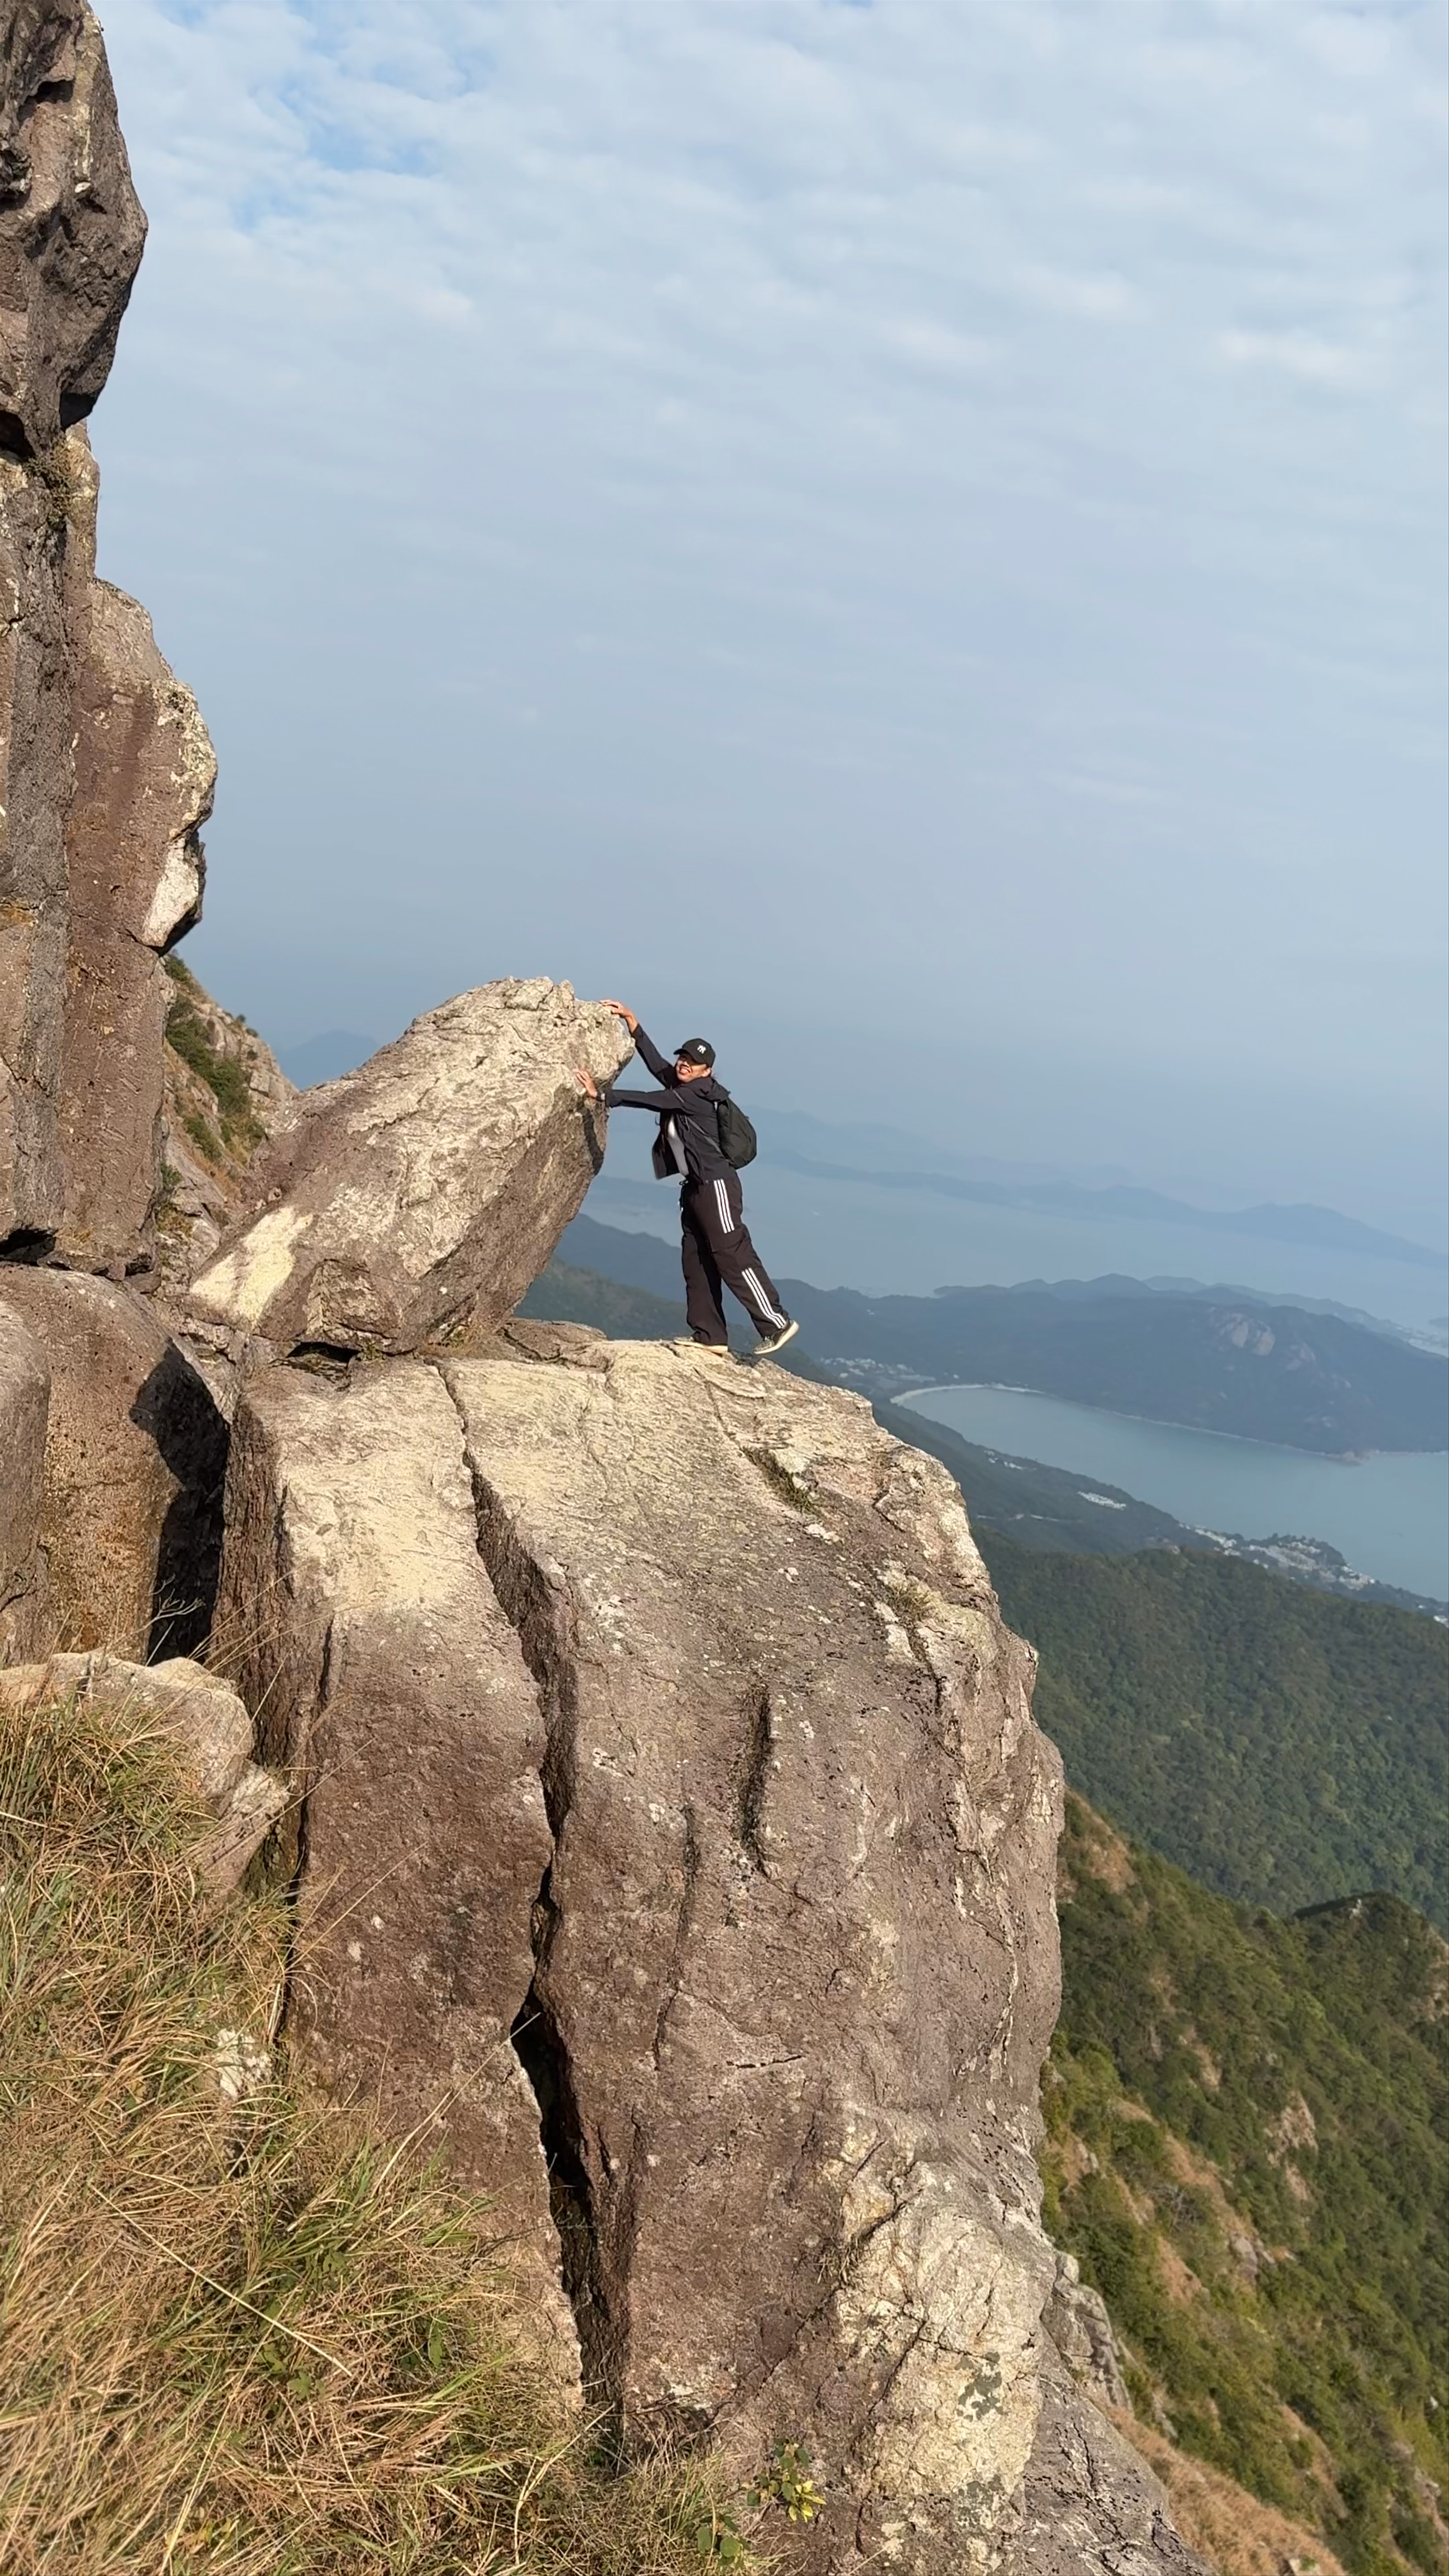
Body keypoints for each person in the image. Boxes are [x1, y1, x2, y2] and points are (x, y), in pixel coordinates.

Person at [576, 1003, 799, 1357]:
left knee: (732, 1255)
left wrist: (603, 1096)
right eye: (683, 1057)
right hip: (695, 1188)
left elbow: (653, 1100)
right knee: (695, 1259)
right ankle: (710, 1335)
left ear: (706, 1071)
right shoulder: (685, 1085)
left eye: (692, 1062)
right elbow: (659, 1067)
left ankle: (776, 1322)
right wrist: (634, 1025)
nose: (684, 1063)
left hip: (717, 1187)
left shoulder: (697, 1094)